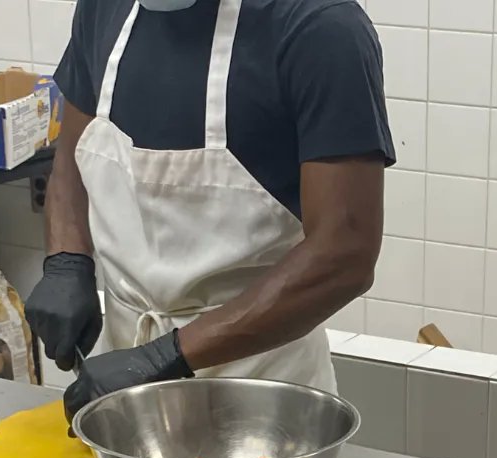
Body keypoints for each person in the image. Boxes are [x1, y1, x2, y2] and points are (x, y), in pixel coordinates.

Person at [25, 0, 393, 420]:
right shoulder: (103, 9)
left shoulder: (321, 27)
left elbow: (344, 253)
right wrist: (67, 261)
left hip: (262, 394)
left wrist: (165, 357)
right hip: (122, 377)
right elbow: (72, 156)